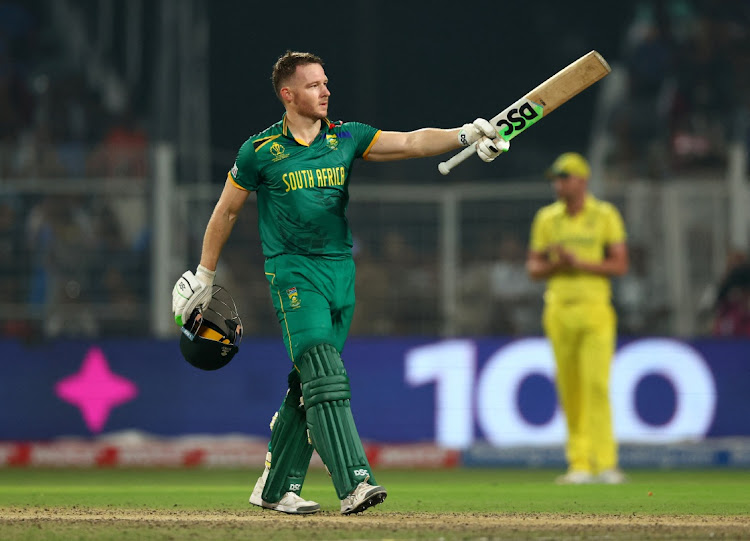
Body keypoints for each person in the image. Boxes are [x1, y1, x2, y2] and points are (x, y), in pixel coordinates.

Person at [171, 50, 509, 515]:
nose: (326, 90)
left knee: (307, 384)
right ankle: (355, 482)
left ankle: (273, 491)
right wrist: (204, 275)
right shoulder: (260, 151)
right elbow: (227, 210)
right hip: (292, 272)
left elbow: (410, 142)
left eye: (326, 82)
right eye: (313, 85)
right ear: (288, 95)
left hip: (340, 273)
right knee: (324, 372)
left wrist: (465, 134)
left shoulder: (347, 137)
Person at [525, 152, 629, 485]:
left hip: (596, 310)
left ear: (581, 180)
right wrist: (559, 265)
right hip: (559, 311)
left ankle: (607, 463)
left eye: (563, 177)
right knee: (570, 388)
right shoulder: (546, 218)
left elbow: (619, 265)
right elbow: (533, 268)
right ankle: (580, 464)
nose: (558, 183)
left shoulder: (604, 215)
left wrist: (578, 263)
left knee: (596, 385)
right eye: (555, 178)